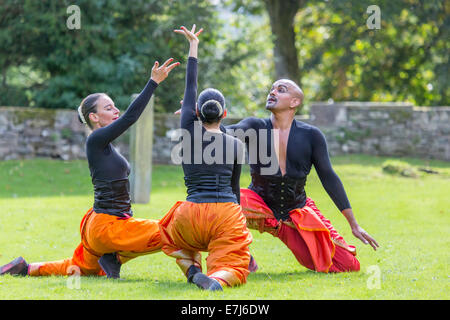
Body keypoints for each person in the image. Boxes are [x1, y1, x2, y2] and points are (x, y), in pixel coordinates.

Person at [0, 57, 179, 279]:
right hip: (108, 228)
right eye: (109, 107)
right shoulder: (96, 140)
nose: (116, 110)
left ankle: (25, 268)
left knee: (80, 268)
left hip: (99, 227)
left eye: (115, 105)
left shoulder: (104, 144)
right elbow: (130, 118)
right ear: (94, 117)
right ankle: (115, 256)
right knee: (172, 232)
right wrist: (153, 82)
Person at [221, 79, 379, 273]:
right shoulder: (255, 126)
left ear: (294, 102)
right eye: (272, 89)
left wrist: (354, 225)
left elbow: (329, 177)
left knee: (347, 265)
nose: (273, 93)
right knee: (219, 207)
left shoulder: (311, 136)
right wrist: (201, 116)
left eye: (281, 90)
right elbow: (224, 134)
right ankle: (242, 256)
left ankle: (290, 233)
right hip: (257, 203)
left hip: (296, 210)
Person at [158, 25, 252, 291]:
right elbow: (234, 190)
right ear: (224, 115)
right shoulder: (235, 145)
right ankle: (218, 279)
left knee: (166, 232)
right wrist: (238, 225)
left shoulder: (187, 132)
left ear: (195, 111)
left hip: (190, 216)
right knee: (235, 263)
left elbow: (191, 84)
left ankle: (192, 271)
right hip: (225, 213)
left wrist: (193, 46)